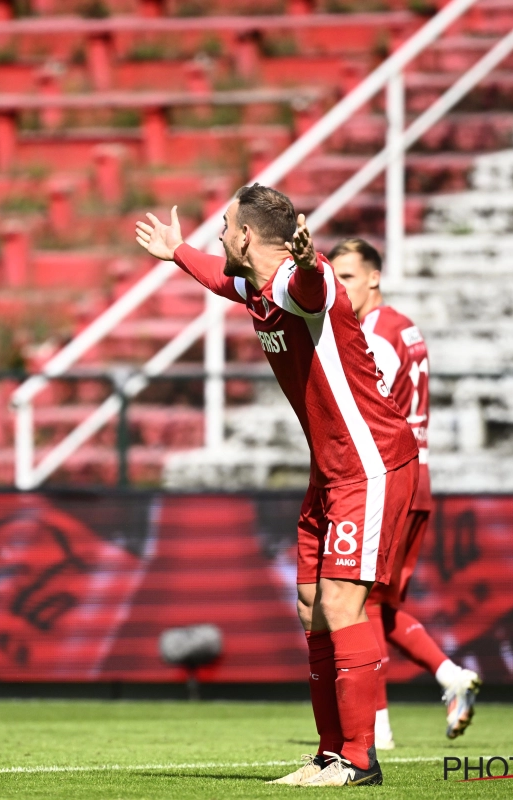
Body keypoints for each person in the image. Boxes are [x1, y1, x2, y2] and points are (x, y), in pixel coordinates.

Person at [136, 187, 419, 787]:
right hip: (331, 468)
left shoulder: (297, 284)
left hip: (369, 463)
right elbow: (219, 278)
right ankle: (328, 754)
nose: (219, 235)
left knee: (343, 604)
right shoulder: (258, 287)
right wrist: (177, 251)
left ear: (246, 237)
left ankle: (361, 759)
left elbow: (313, 289)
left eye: (224, 226)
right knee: (312, 607)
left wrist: (313, 260)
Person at [329, 238, 480, 747]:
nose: (339, 286)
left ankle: (376, 725)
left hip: (391, 475)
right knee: (381, 603)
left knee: (359, 598)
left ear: (374, 277)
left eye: (347, 276)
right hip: (418, 475)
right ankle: (450, 676)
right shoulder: (404, 326)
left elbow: (363, 406)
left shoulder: (376, 336)